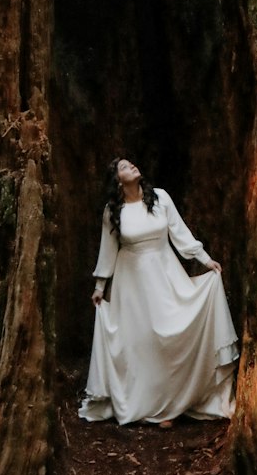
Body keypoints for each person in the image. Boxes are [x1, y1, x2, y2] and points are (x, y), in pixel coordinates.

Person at [79, 157, 239, 425]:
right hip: (132, 286)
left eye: (132, 164)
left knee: (170, 337)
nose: (132, 167)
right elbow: (108, 251)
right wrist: (100, 287)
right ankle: (148, 407)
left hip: (165, 276)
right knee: (142, 344)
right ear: (118, 181)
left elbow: (180, 234)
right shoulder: (113, 211)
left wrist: (205, 259)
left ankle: (174, 404)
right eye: (125, 167)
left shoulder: (161, 198)